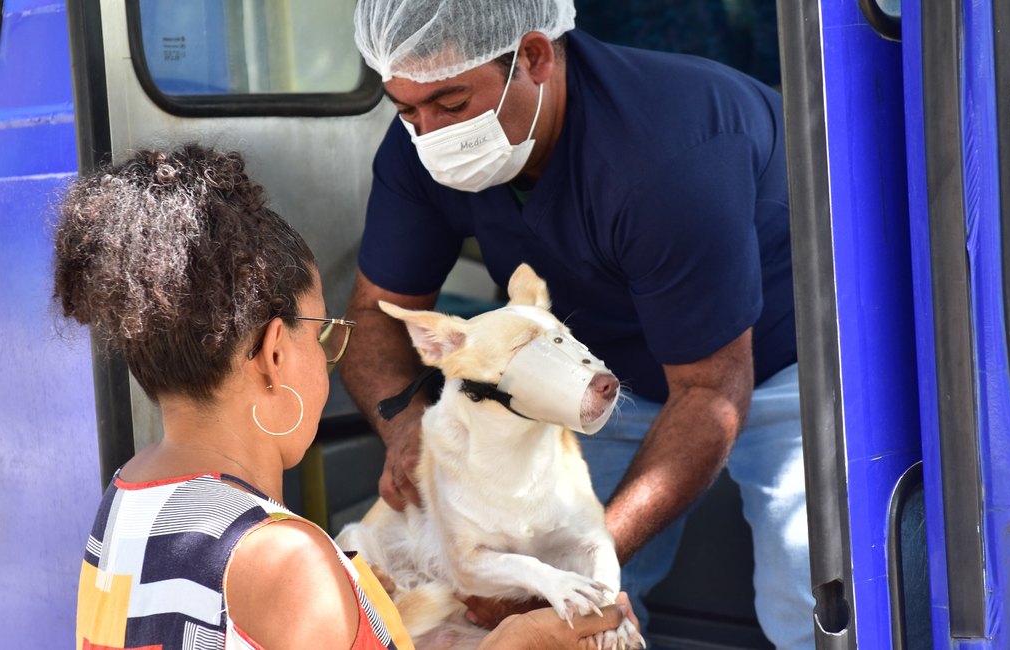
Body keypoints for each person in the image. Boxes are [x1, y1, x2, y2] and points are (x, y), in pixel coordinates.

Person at [338, 1, 814, 648]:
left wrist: (572, 571)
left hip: (786, 358)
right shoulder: (421, 148)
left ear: (534, 56)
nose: (429, 134)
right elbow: (373, 314)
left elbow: (708, 394)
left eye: (451, 105)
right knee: (566, 622)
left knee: (813, 598)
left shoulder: (669, 154)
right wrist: (407, 426)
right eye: (406, 110)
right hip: (605, 367)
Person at [62, 144, 632, 650]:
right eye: (323, 335)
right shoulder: (286, 562)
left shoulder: (124, 497)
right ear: (276, 353)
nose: (329, 357)